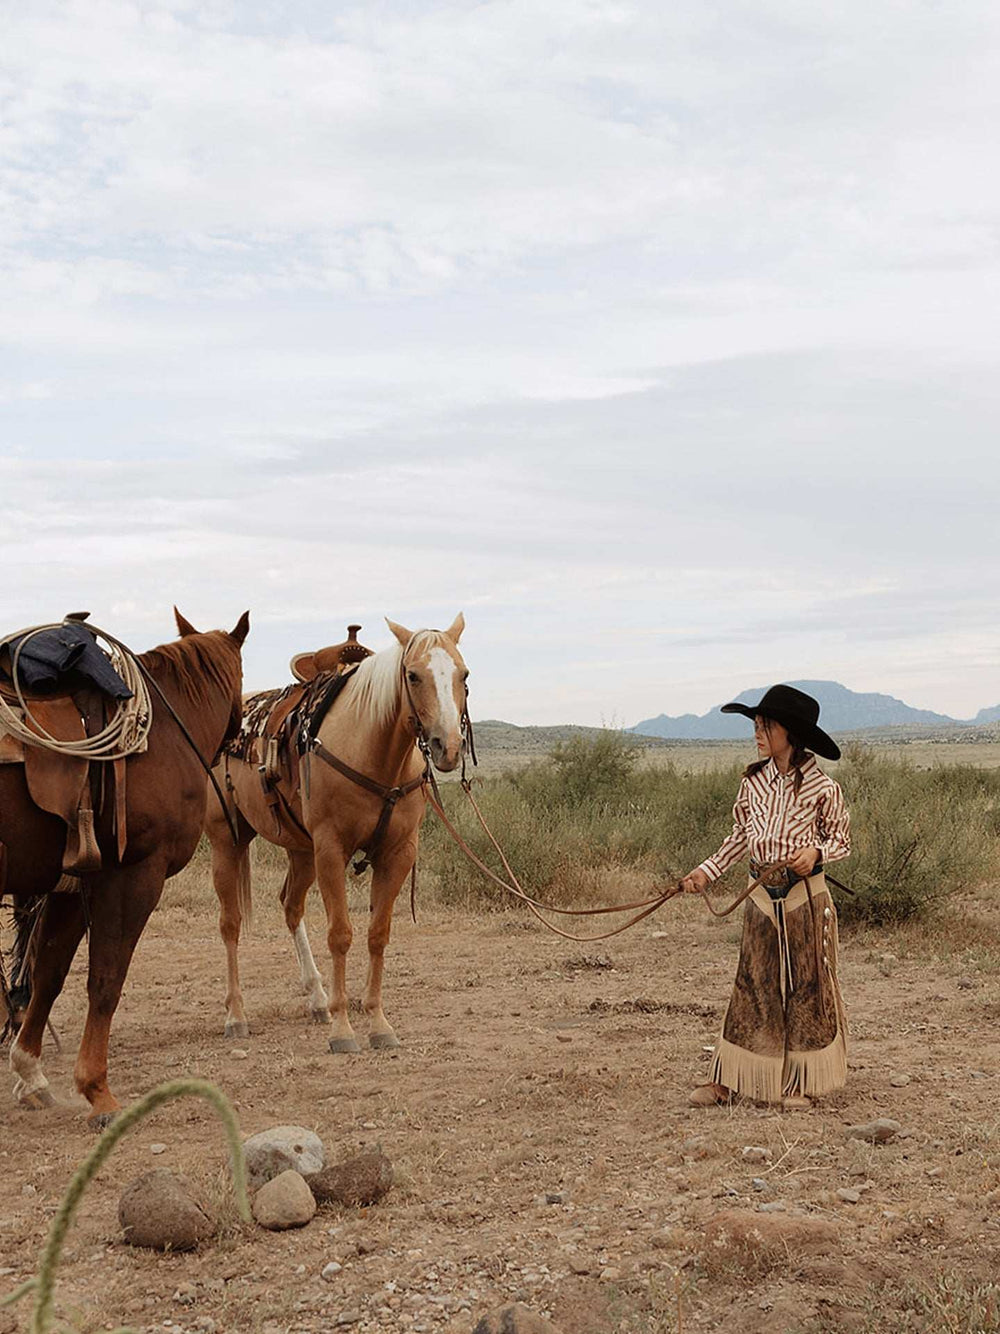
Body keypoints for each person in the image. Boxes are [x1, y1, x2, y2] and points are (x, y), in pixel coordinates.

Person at [680, 685, 851, 1111]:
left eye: (766, 725)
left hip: (804, 898)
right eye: (757, 725)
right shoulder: (752, 783)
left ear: (788, 733)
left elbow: (842, 840)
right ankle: (730, 1080)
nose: (758, 732)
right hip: (760, 896)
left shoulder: (823, 789)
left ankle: (801, 1082)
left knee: (807, 987)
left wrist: (816, 853)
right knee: (752, 985)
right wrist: (706, 871)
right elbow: (740, 838)